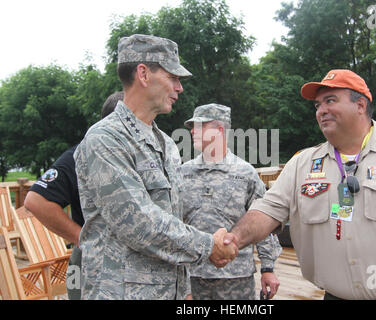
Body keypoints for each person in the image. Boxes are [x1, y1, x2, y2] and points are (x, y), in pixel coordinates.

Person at [225, 69, 376, 300]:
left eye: (330, 101)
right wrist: (233, 239)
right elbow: (267, 211)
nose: (322, 110)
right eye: (317, 105)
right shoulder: (303, 163)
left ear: (360, 105)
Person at [74, 34, 238, 300]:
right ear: (143, 74)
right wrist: (209, 245)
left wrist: (183, 287)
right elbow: (139, 222)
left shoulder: (166, 144)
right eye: (173, 77)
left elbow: (171, 217)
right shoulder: (105, 139)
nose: (179, 88)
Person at [24, 91, 124, 300]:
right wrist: (82, 238)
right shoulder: (80, 155)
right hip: (89, 261)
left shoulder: (142, 157)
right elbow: (36, 200)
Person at [181, 103, 282, 300]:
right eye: (192, 126)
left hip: (236, 278)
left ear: (219, 130)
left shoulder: (245, 173)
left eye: (200, 126)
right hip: (192, 277)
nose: (193, 131)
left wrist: (268, 268)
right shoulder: (183, 172)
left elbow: (263, 220)